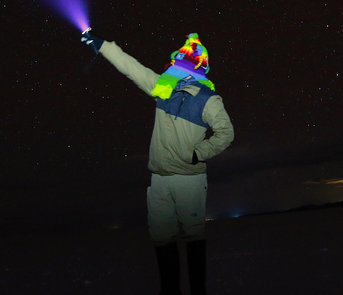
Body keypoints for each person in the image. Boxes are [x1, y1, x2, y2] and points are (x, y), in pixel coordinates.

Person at [81, 30, 234, 295]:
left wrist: (198, 153)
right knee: (161, 237)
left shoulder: (208, 99)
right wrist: (102, 46)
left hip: (189, 180)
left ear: (195, 65)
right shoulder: (163, 89)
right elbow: (132, 68)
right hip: (159, 180)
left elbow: (226, 133)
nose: (176, 63)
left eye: (183, 59)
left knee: (194, 235)